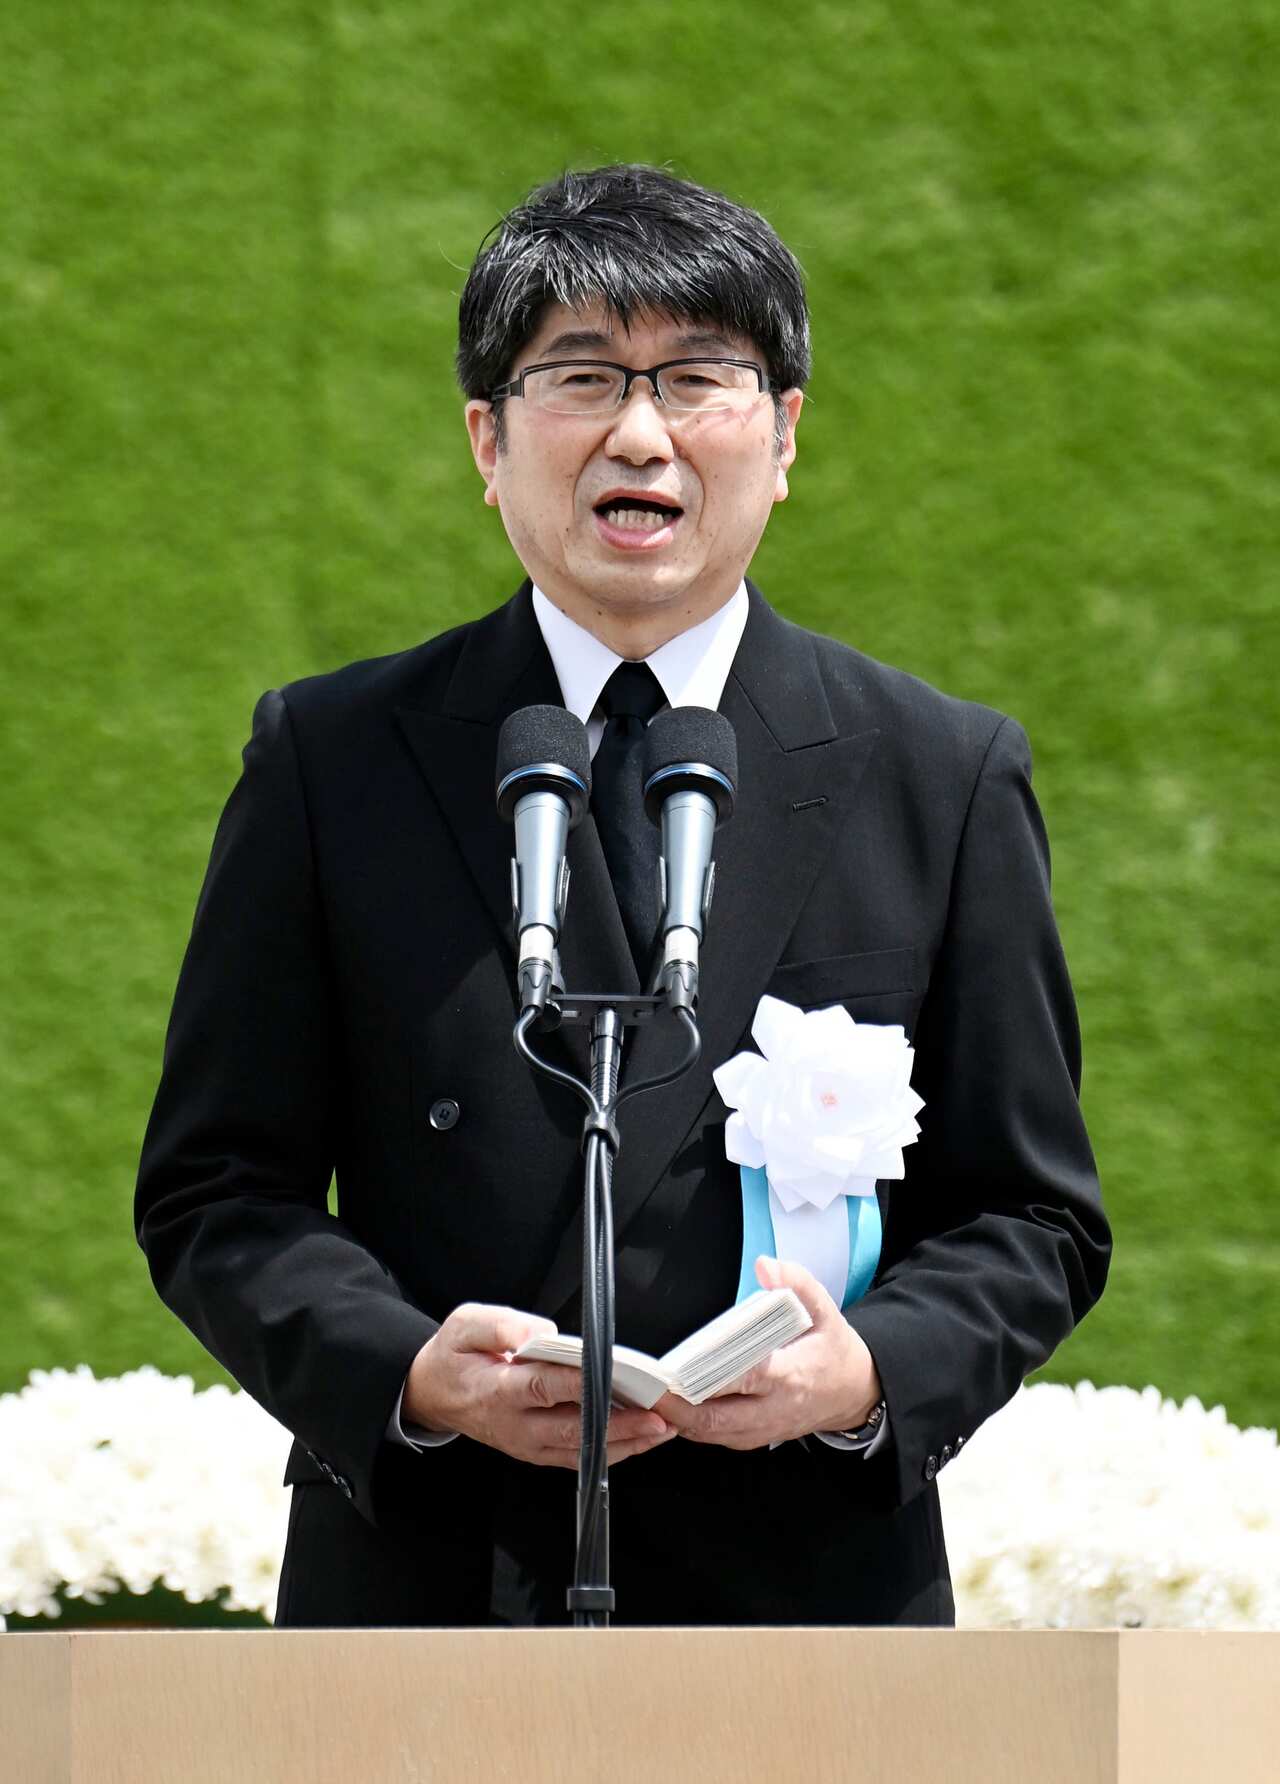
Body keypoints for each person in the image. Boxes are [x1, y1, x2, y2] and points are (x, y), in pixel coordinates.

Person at [135, 164, 1110, 1627]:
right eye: (580, 376)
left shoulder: (938, 771)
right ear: (489, 436)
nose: (640, 431)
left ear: (782, 435)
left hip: (807, 1591)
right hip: (430, 1582)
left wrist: (865, 1375)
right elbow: (219, 1187)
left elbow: (1033, 1213)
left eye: (698, 379)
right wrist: (403, 1370)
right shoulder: (332, 758)